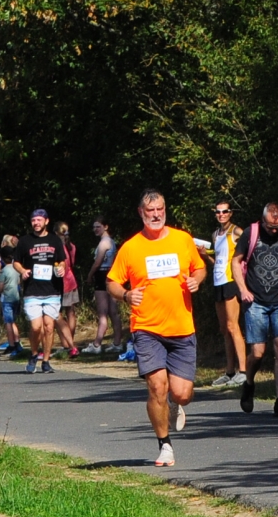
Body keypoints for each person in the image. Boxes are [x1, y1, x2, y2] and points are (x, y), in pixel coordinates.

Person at [109, 188, 207, 468]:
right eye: (150, 210)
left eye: (160, 209)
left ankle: (175, 404)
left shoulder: (182, 239)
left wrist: (197, 280)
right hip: (146, 327)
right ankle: (164, 444)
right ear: (141, 213)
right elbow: (112, 282)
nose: (156, 215)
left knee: (182, 393)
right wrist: (126, 295)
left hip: (181, 327)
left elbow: (199, 267)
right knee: (156, 386)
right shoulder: (131, 247)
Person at [233, 202, 278, 418]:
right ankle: (249, 382)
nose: (274, 231)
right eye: (270, 227)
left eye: (277, 227)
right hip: (256, 300)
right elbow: (236, 262)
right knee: (258, 352)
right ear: (262, 220)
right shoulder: (250, 233)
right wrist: (243, 289)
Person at [13, 209, 68, 373]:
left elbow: (62, 261)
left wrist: (62, 268)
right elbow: (16, 262)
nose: (36, 223)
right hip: (32, 290)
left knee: (49, 327)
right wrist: (22, 271)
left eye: (39, 220)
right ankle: (34, 354)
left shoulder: (55, 240)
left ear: (46, 221)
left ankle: (46, 361)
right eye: (33, 220)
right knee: (36, 327)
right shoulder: (25, 241)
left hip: (52, 289)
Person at [204, 200, 246, 386]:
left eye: (225, 211)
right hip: (218, 281)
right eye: (218, 212)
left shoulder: (236, 231)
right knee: (224, 329)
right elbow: (218, 261)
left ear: (230, 213)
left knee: (233, 326)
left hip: (230, 281)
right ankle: (229, 371)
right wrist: (205, 255)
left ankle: (243, 371)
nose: (221, 215)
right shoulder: (215, 235)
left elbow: (249, 248)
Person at [53, 219, 82, 357]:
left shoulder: (56, 248)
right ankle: (71, 341)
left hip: (59, 282)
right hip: (71, 280)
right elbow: (73, 262)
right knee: (71, 313)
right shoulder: (72, 246)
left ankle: (66, 343)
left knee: (56, 314)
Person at [90, 215, 119, 353]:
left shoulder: (104, 243)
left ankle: (97, 344)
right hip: (111, 274)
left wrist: (90, 275)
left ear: (105, 227)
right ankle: (117, 343)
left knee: (103, 312)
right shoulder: (111, 242)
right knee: (113, 311)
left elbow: (98, 262)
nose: (95, 229)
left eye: (98, 226)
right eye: (94, 227)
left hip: (102, 274)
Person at [0, 234, 25, 355]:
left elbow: (1, 287)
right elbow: (19, 281)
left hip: (7, 299)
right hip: (16, 297)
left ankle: (11, 344)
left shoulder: (4, 271)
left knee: (8, 322)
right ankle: (17, 342)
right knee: (13, 321)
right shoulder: (17, 269)